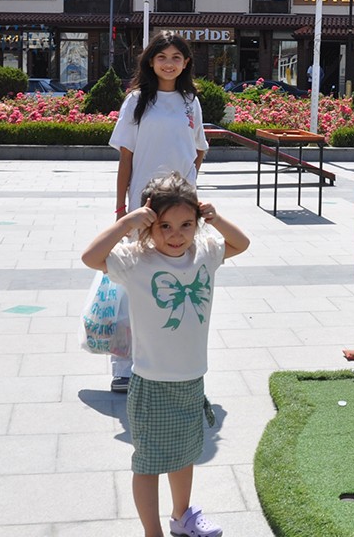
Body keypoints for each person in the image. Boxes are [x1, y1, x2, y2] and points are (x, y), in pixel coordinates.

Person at [82, 173, 250, 537]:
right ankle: (152, 531)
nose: (176, 235)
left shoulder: (204, 251)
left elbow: (242, 242)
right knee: (147, 464)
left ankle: (182, 516)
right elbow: (90, 256)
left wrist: (215, 219)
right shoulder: (134, 259)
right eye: (165, 226)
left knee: (185, 453)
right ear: (148, 226)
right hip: (152, 381)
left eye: (187, 225)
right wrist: (126, 221)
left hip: (192, 377)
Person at [107, 31, 210, 394]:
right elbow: (126, 158)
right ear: (150, 61)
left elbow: (198, 148)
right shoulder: (136, 101)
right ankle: (123, 365)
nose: (169, 63)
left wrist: (189, 181)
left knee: (176, 277)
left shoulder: (189, 102)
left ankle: (168, 356)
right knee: (132, 280)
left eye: (176, 57)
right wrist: (122, 208)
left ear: (186, 64)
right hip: (144, 205)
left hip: (182, 206)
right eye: (162, 56)